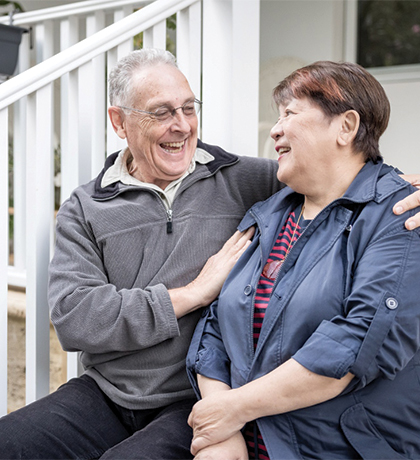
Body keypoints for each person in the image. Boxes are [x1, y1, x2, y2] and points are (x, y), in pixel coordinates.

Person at [0, 50, 418, 460]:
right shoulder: (87, 206)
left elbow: (348, 176)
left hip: (195, 396)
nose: (181, 125)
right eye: (161, 112)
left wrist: (407, 188)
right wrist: (194, 294)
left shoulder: (247, 181)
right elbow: (76, 318)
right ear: (119, 121)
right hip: (113, 391)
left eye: (188, 108)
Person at [186, 61, 420, 460]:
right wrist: (220, 423)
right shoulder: (269, 215)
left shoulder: (401, 217)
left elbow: (356, 344)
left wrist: (235, 409)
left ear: (346, 127)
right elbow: (216, 326)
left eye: (289, 113)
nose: (275, 129)